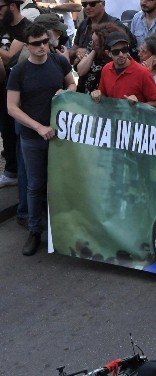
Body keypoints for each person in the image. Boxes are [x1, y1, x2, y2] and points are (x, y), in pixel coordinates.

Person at [6, 20, 76, 255]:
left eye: (45, 42)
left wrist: (66, 93)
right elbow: (12, 108)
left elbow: (73, 84)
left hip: (60, 134)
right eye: (36, 44)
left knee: (64, 183)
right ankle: (35, 231)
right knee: (35, 186)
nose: (42, 47)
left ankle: (64, 231)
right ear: (27, 46)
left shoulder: (59, 61)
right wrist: (38, 127)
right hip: (32, 137)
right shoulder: (20, 71)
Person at [91, 29, 156, 107]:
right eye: (116, 52)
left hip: (134, 118)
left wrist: (138, 105)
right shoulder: (106, 69)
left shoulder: (143, 73)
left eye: (124, 50)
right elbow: (103, 95)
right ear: (108, 53)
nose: (121, 54)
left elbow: (155, 102)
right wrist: (96, 95)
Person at [75, 20, 123, 95]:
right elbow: (81, 71)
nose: (92, 44)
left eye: (95, 43)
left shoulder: (114, 56)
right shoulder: (92, 47)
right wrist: (94, 50)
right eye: (92, 41)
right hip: (84, 91)